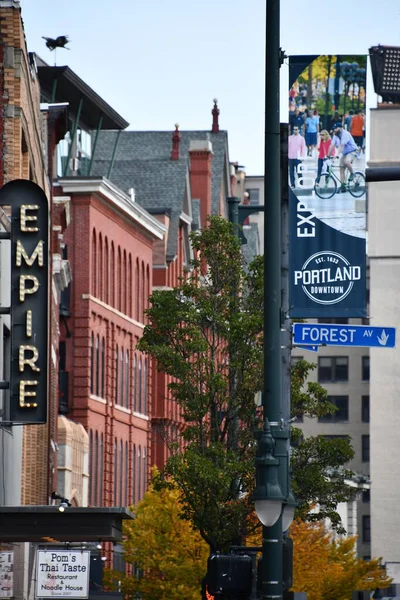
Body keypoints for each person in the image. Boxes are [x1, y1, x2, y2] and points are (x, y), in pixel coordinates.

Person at [327, 122, 358, 192]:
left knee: (345, 161)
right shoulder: (335, 135)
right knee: (341, 168)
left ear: (341, 128)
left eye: (336, 129)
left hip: (353, 151)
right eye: (334, 129)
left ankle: (353, 173)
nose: (334, 130)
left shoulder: (345, 134)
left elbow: (342, 145)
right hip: (345, 153)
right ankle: (343, 186)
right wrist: (328, 155)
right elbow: (332, 145)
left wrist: (337, 155)